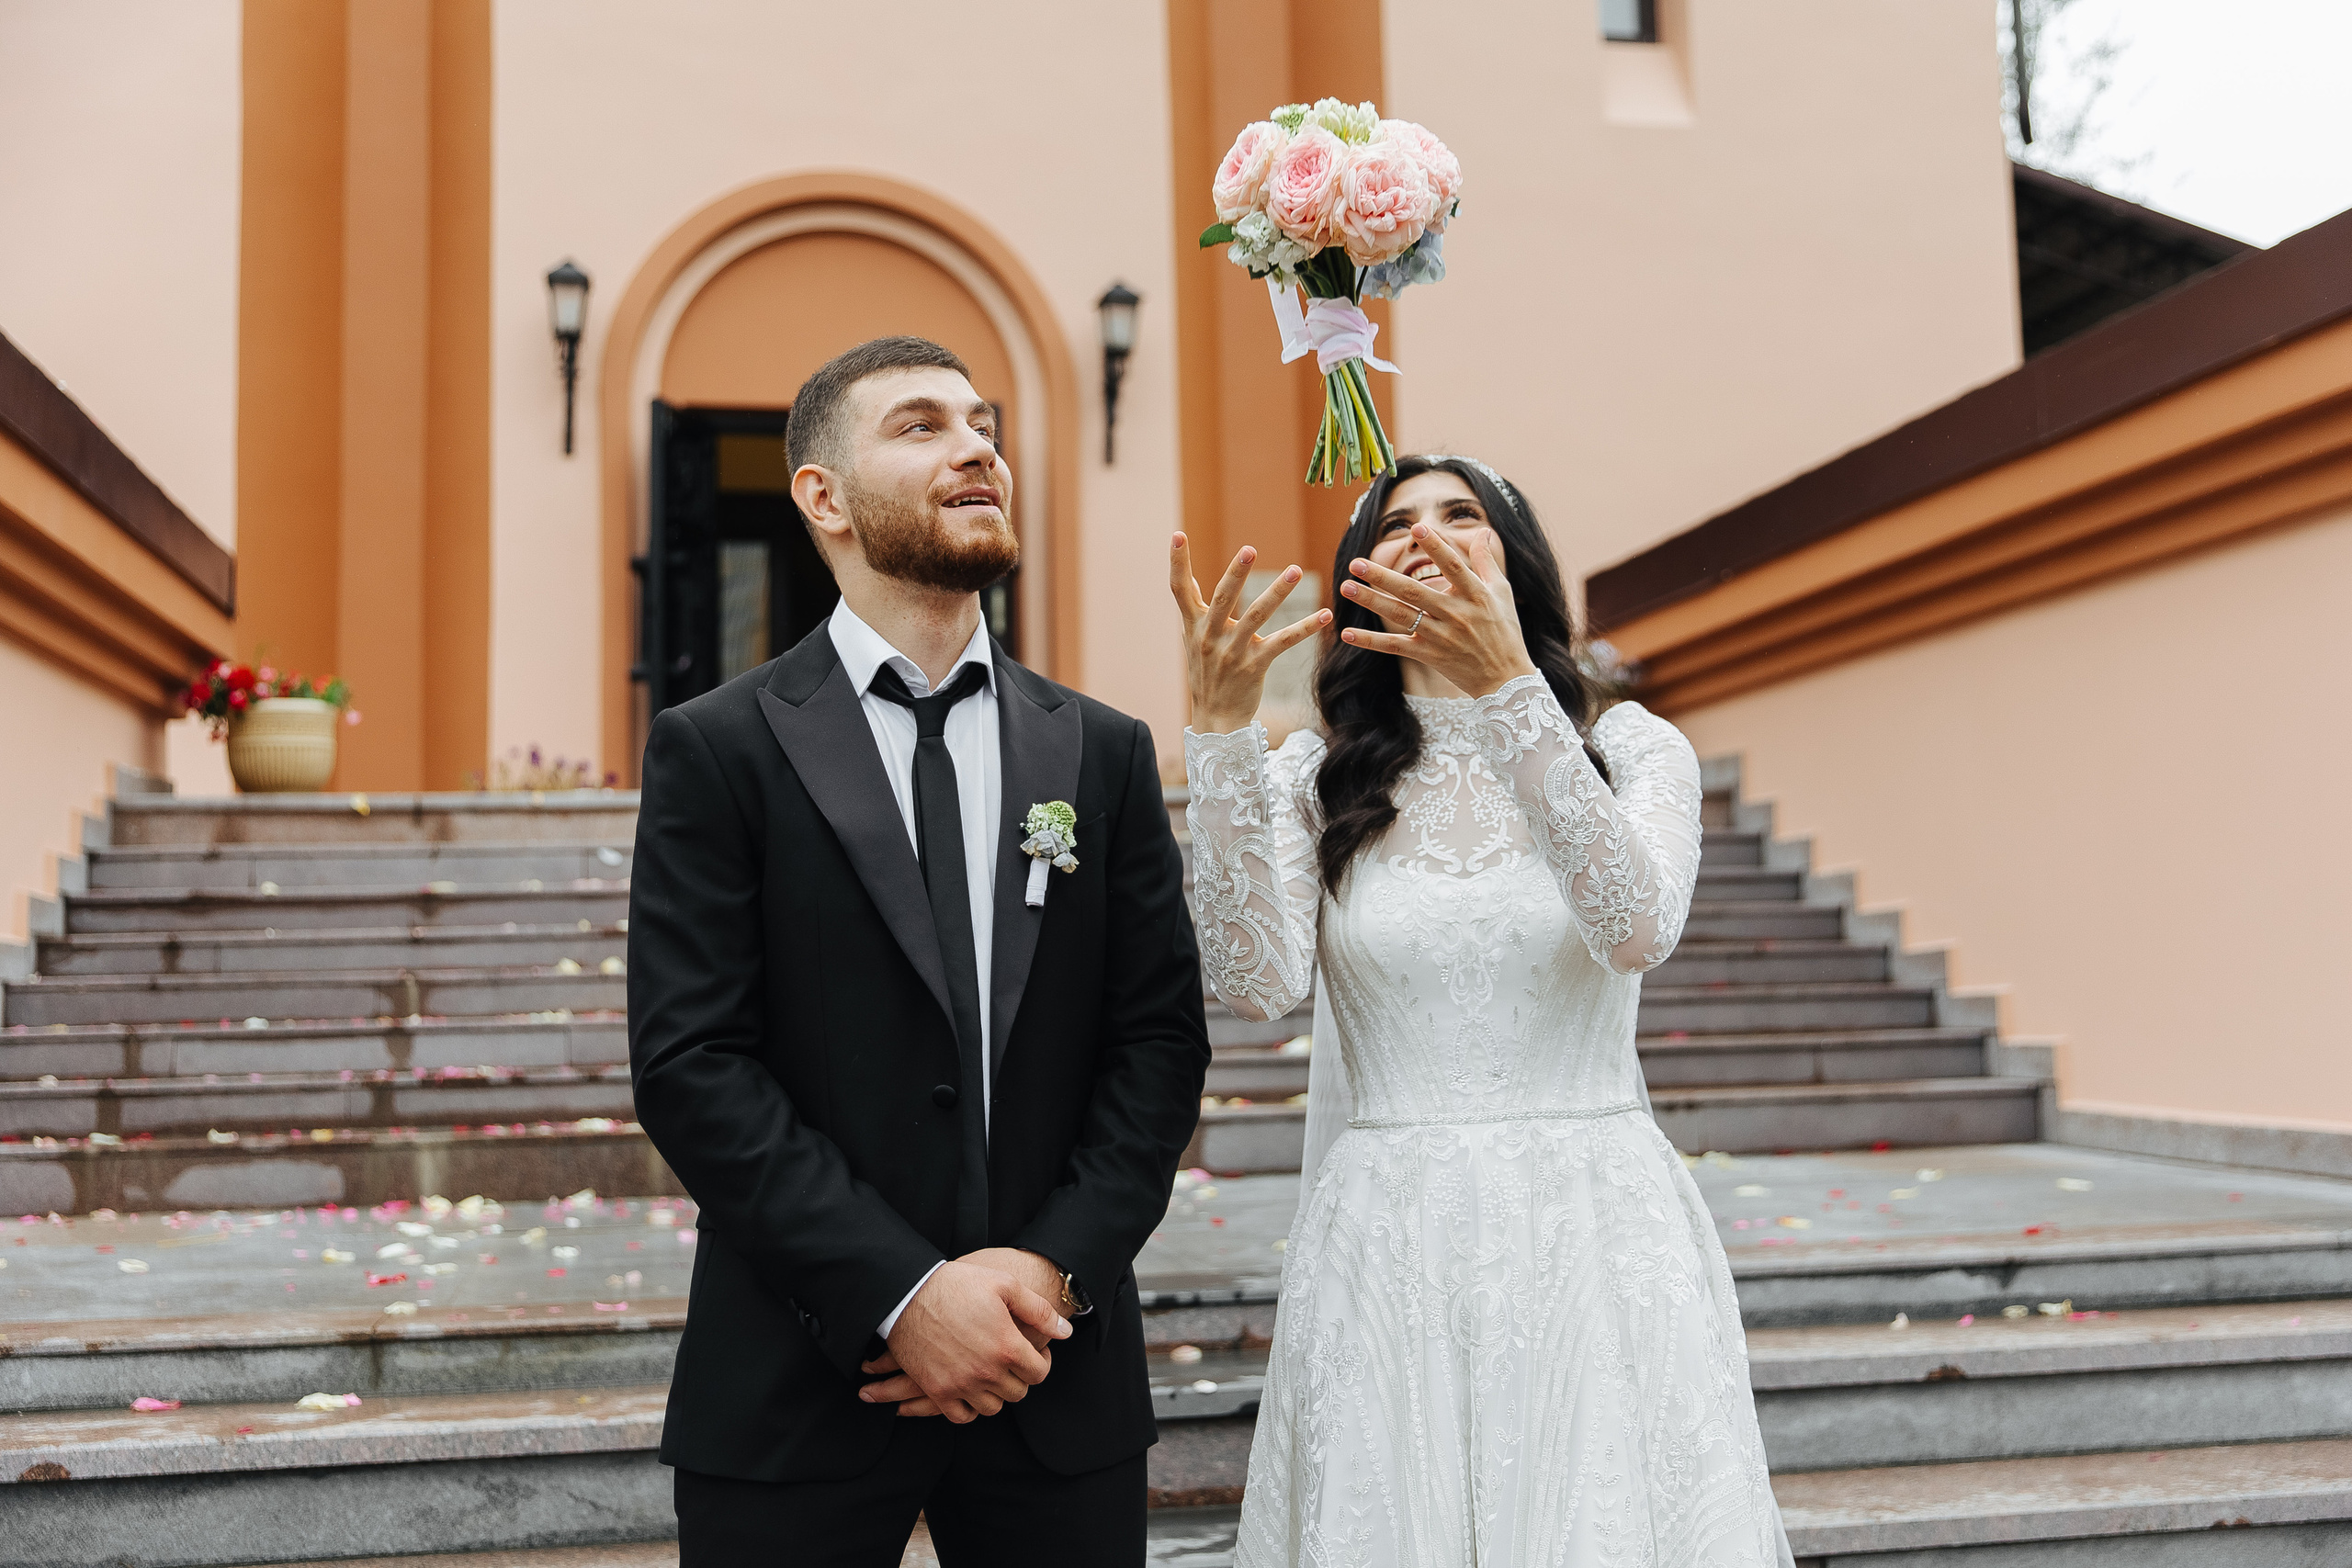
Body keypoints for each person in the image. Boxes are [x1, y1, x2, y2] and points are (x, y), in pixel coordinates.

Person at [630, 335, 1210, 1566]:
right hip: (796, 1385)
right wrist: (903, 1293)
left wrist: (1047, 1274)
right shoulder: (718, 748)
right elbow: (693, 1062)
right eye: (921, 424)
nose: (976, 447)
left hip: (1053, 1379)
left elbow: (1158, 1042)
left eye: (983, 423)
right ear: (823, 496)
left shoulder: (1101, 752)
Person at [1171, 455, 1794, 1565]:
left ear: (1517, 561)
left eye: (1460, 514)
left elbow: (1633, 928)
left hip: (1591, 1225)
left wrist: (1510, 690)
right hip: (1387, 1232)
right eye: (1395, 522)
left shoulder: (1632, 749)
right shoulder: (1318, 778)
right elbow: (1256, 981)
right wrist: (1221, 734)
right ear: (1361, 579)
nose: (1426, 534)